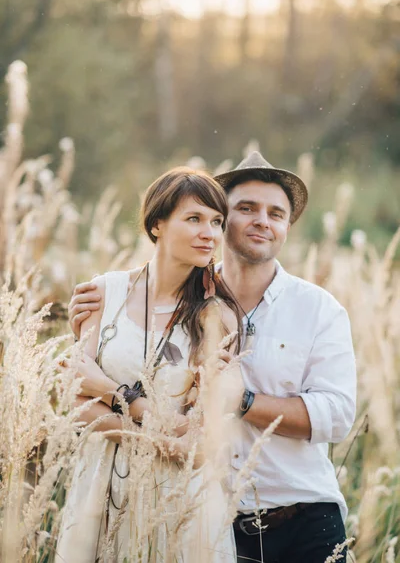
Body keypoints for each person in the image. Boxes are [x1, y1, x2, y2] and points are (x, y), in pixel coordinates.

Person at [69, 152, 357, 563]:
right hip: (205, 520)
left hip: (302, 519)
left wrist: (238, 399)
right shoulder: (187, 303)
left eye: (276, 213)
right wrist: (96, 343)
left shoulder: (319, 309)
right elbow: (91, 383)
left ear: (287, 227)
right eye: (246, 209)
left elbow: (338, 415)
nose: (263, 220)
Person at [57, 167, 243, 563]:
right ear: (157, 224)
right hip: (100, 485)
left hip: (180, 500)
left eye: (216, 222)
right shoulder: (105, 293)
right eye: (194, 219)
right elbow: (76, 404)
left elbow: (199, 443)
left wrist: (111, 393)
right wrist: (163, 438)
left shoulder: (216, 317)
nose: (209, 233)